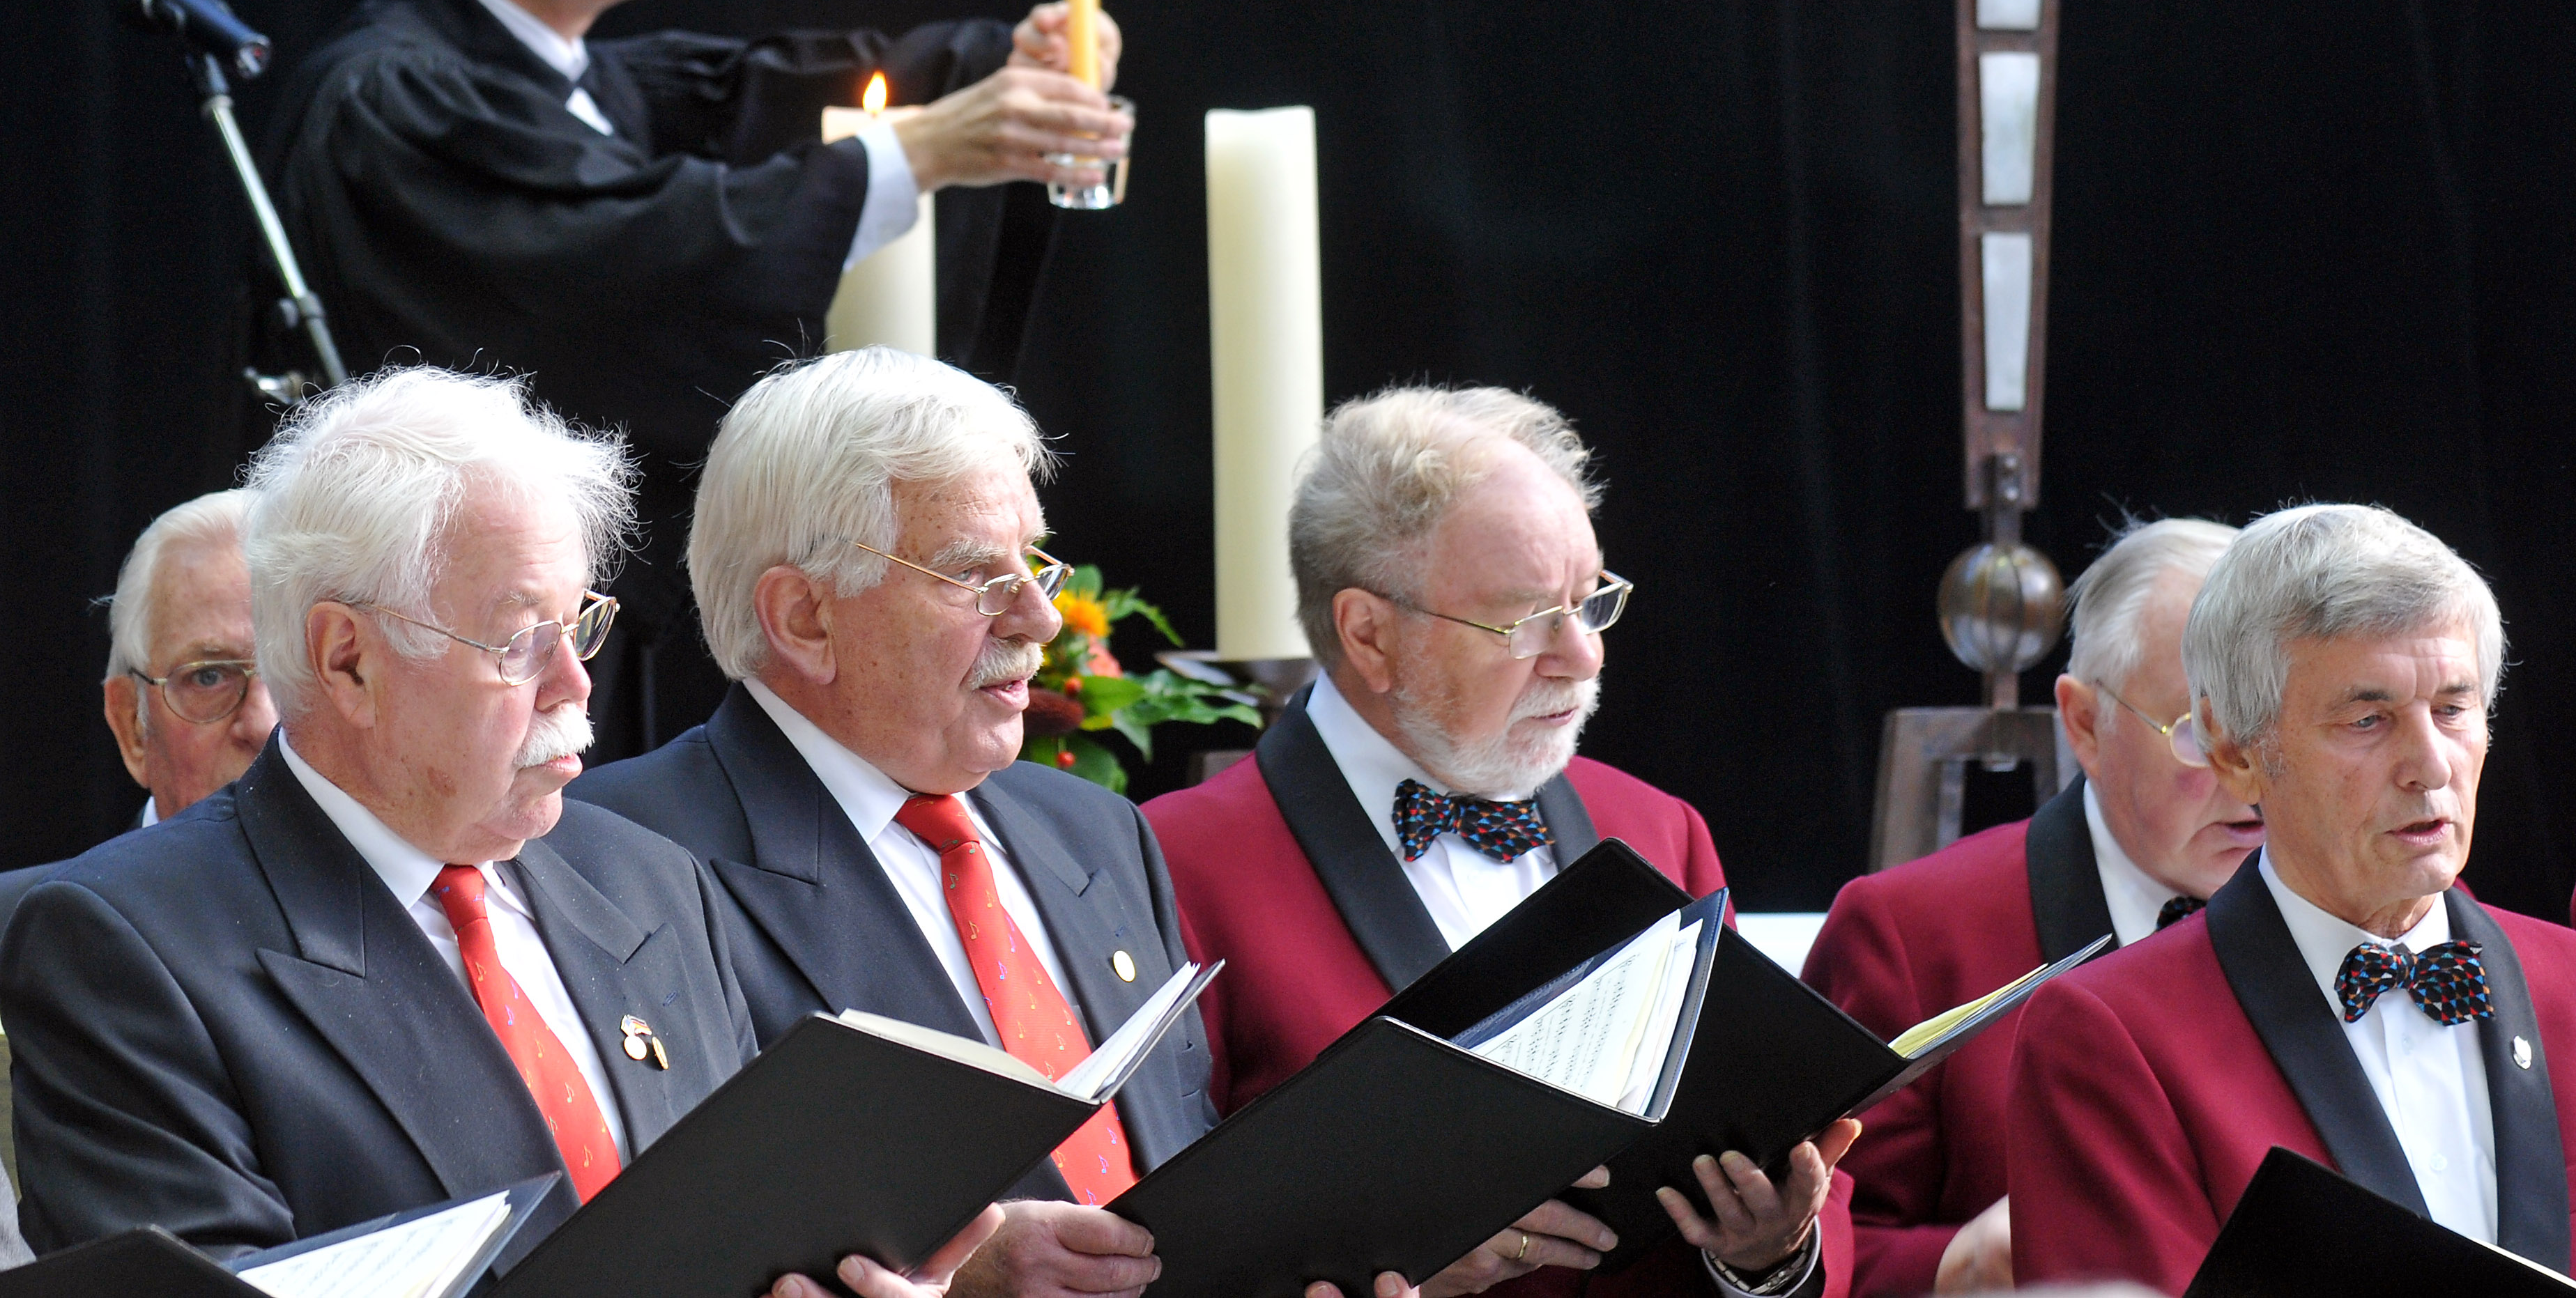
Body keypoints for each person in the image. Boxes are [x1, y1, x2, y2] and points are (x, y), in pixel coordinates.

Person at [263, 0, 1131, 756]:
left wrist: (1011, 65)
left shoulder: (595, 85)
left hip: (621, 648)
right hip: (453, 655)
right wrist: (932, 140)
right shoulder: (390, 99)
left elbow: (785, 95)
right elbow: (620, 268)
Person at [0, 366, 995, 1298]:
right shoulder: (124, 943)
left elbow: (749, 1224)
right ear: (347, 659)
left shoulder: (647, 881)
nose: (575, 684)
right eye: (523, 638)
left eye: (582, 623)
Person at [1144, 385, 1855, 1298]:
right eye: (1525, 618)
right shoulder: (1175, 859)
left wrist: (1767, 1251)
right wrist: (1386, 1257)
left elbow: (1773, 1137)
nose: (1584, 655)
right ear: (1369, 633)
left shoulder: (1657, 827)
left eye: (1589, 598)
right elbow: (1152, 1247)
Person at [573, 349, 1211, 1298]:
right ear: (804, 617)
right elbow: (658, 1246)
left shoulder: (1097, 830)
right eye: (973, 574)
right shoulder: (613, 860)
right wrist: (957, 1273)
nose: (1039, 617)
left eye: (1033, 562)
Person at [2007, 504, 2576, 1293]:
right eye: (2368, 719)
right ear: (2235, 751)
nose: (2431, 765)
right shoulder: (2112, 1035)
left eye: (2452, 708)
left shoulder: (2569, 981)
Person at [1801, 518, 2262, 1295]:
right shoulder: (1911, 934)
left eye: (2273, 725)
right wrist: (1964, 1264)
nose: (2251, 776)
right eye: (2199, 733)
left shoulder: (2387, 908)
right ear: (2086, 723)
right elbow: (1814, 1251)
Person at [0, 492, 282, 936]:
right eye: (209, 677)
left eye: (295, 672)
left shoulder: (418, 920)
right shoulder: (18, 938)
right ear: (133, 723)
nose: (266, 725)